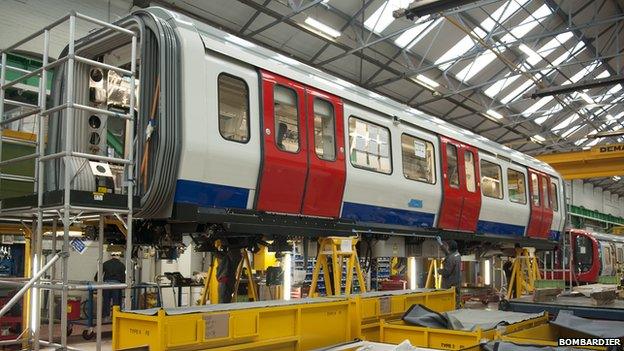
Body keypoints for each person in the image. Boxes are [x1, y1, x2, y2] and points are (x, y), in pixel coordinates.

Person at [95, 252, 126, 318]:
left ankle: (106, 316)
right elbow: (123, 276)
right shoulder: (121, 265)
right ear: (118, 256)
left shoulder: (106, 263)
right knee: (116, 301)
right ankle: (115, 316)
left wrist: (97, 281)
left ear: (111, 256)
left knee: (106, 300)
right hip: (117, 285)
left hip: (106, 284)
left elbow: (98, 274)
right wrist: (123, 284)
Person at [436, 236, 461, 308]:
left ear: (450, 248)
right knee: (456, 299)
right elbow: (448, 254)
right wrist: (440, 243)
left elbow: (446, 272)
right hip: (456, 282)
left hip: (449, 284)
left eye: (447, 246)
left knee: (448, 301)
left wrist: (439, 271)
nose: (446, 247)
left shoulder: (450, 258)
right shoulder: (457, 255)